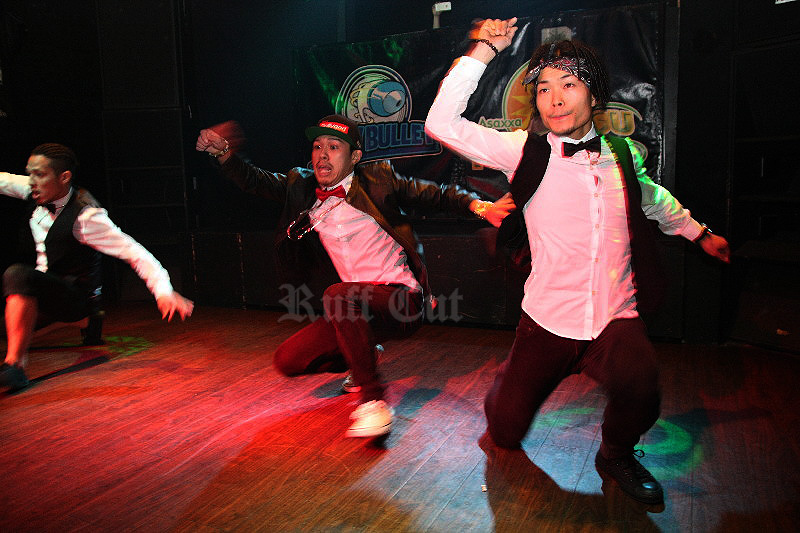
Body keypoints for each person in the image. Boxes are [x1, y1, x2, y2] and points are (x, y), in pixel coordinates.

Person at [425, 18, 730, 505]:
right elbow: (440, 124)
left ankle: (616, 454)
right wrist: (483, 50)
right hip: (546, 321)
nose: (555, 99)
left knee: (642, 384)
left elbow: (652, 199)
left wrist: (700, 233)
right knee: (505, 431)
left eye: (569, 84)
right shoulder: (524, 151)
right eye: (544, 88)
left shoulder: (622, 155)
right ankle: (507, 389)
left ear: (595, 94)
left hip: (614, 317)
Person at [195, 114, 513, 438]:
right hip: (354, 308)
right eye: (318, 146)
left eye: (334, 147)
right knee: (288, 360)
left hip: (400, 300)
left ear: (355, 157)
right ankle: (364, 353)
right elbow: (256, 180)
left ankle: (374, 402)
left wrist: (481, 207)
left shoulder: (378, 180)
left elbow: (436, 194)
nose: (323, 155)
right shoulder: (301, 187)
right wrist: (224, 153)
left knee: (337, 293)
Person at [1, 143, 194, 392]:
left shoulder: (86, 217)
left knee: (17, 274)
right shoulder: (35, 189)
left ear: (64, 177)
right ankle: (82, 323)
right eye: (30, 173)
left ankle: (15, 365)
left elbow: (134, 252)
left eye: (39, 174)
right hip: (44, 291)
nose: (31, 181)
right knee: (7, 326)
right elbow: (4, 180)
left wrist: (164, 291)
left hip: (76, 298)